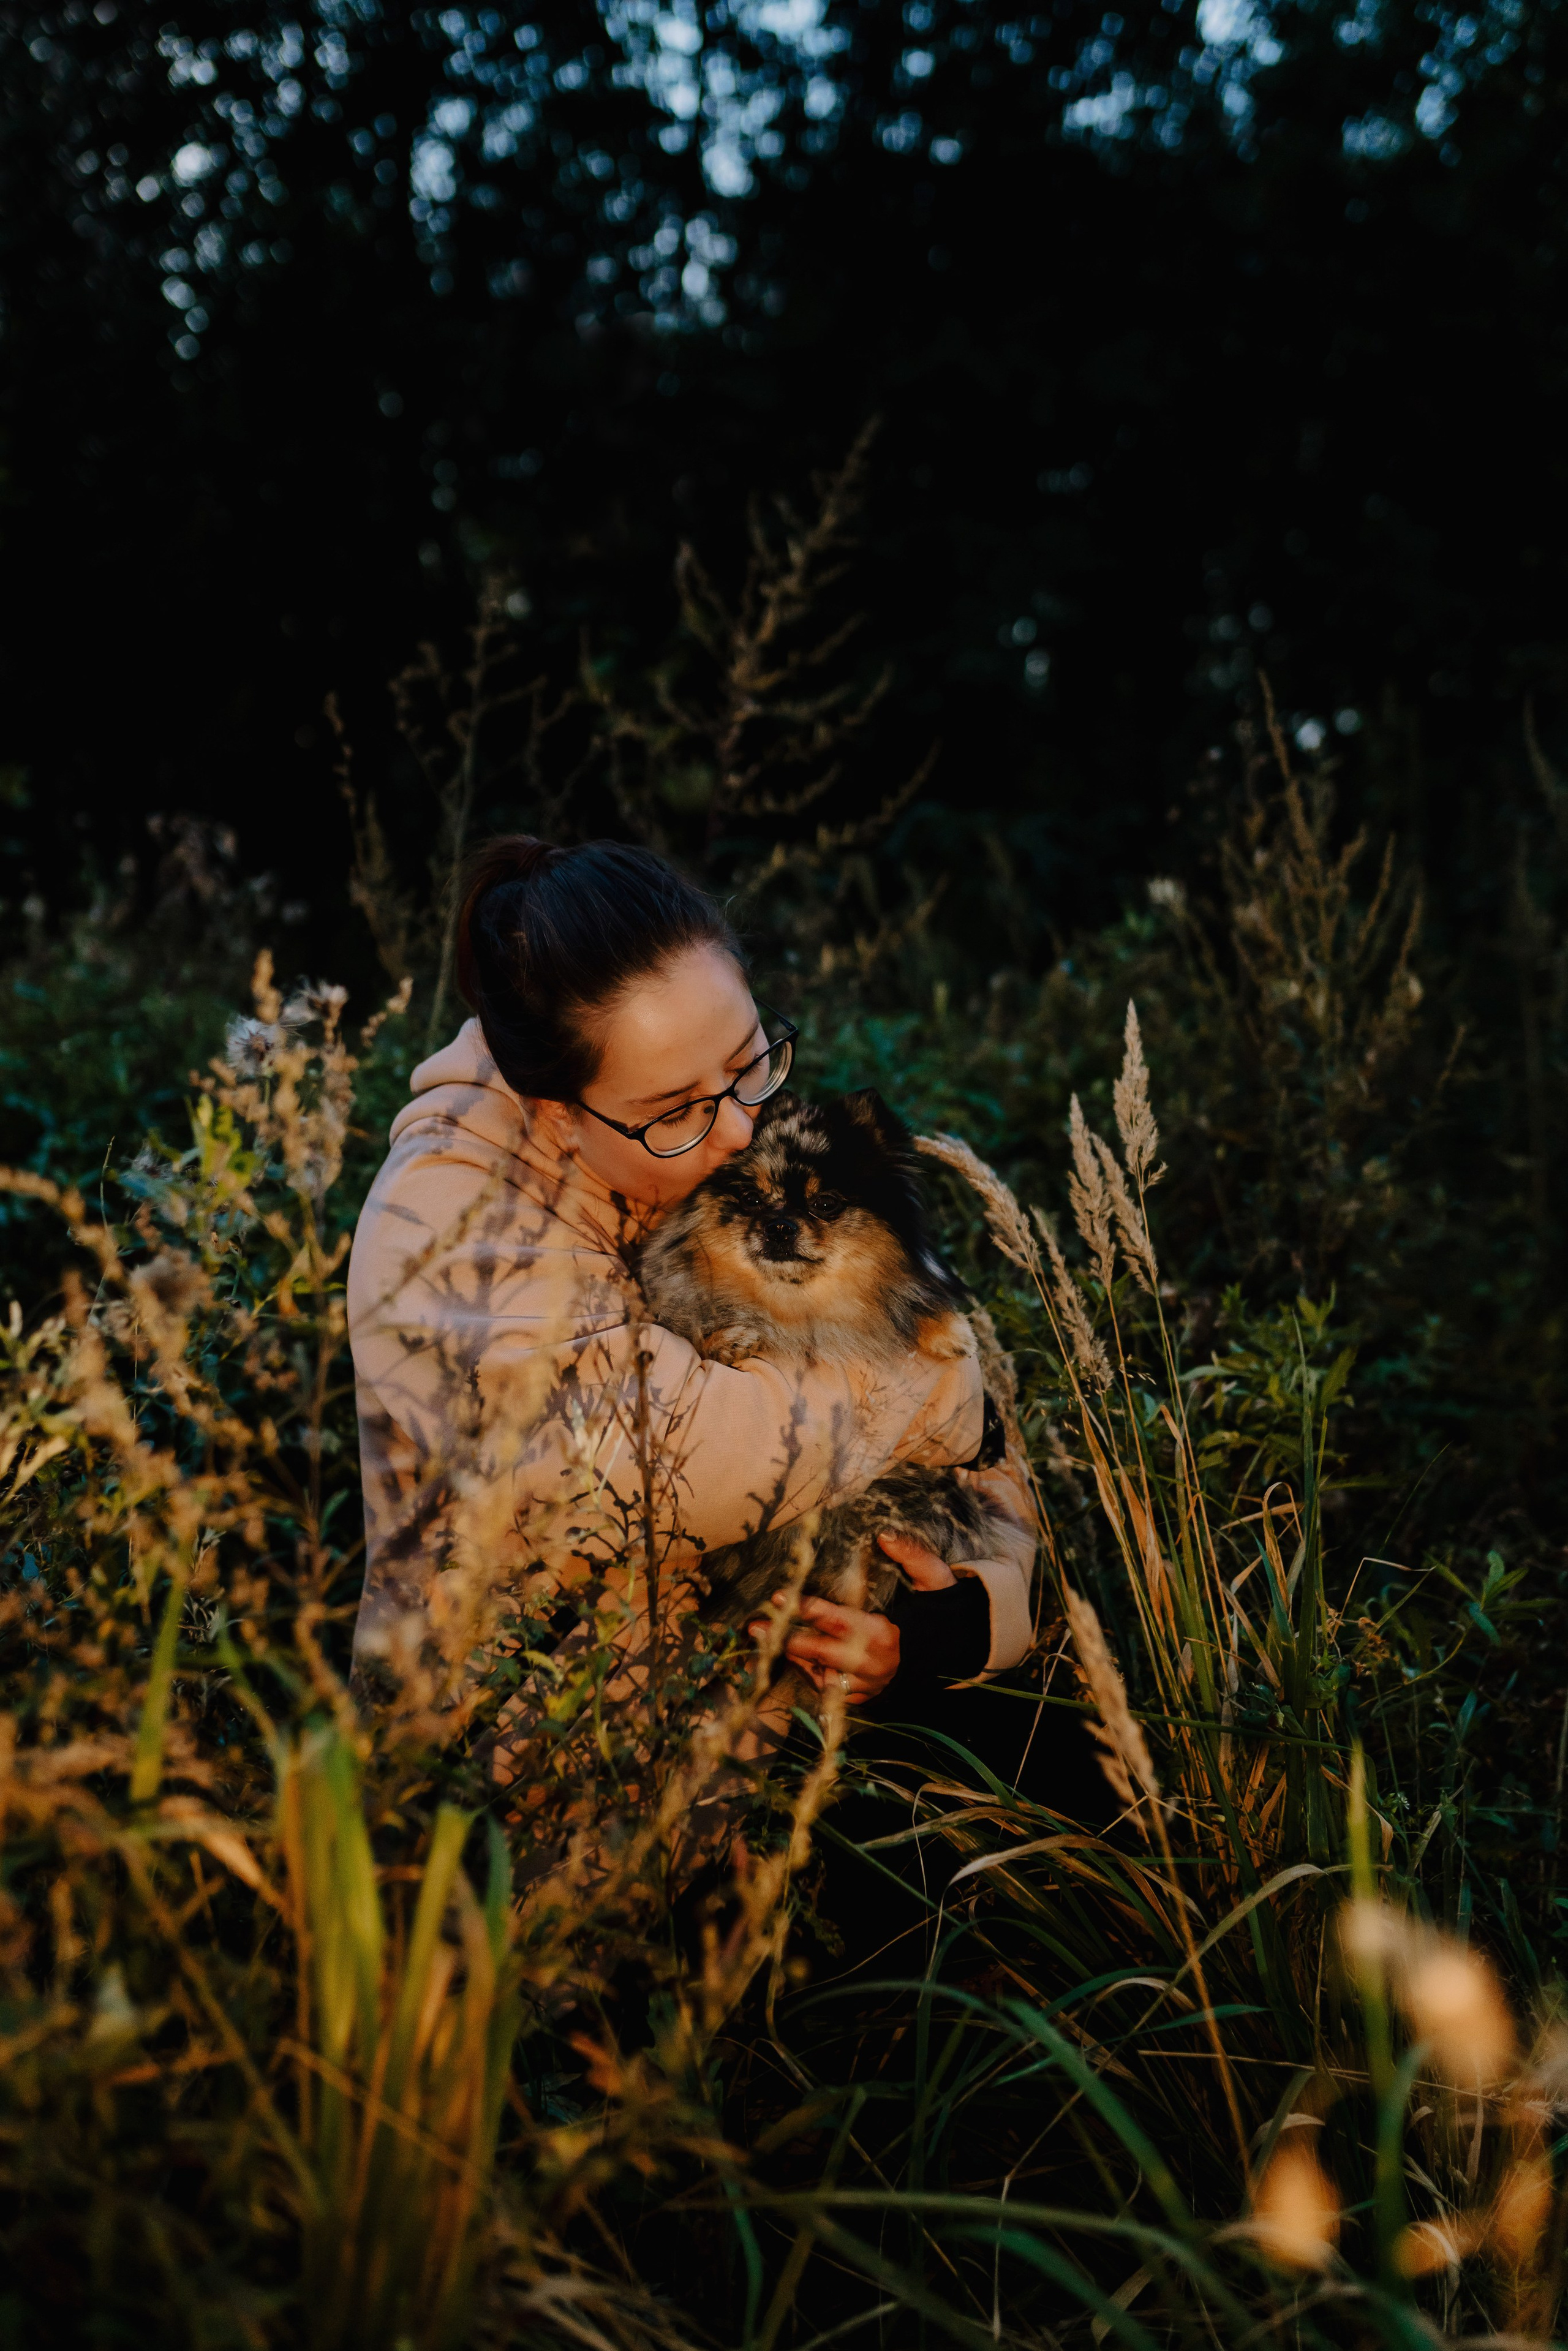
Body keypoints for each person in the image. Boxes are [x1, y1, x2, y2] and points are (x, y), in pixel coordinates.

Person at [347, 834, 1036, 1711]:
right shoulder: (443, 1224)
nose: (743, 1130)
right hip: (518, 1805)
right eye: (676, 1109)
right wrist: (929, 1378)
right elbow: (667, 1464)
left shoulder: (724, 1121)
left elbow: (986, 1470)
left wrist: (952, 1621)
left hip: (769, 1769)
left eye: (751, 1059)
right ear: (560, 1114)